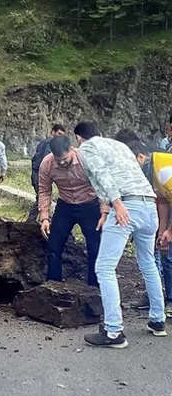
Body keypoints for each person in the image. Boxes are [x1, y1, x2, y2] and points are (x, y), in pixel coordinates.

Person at [75, 121, 166, 348]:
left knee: (104, 267)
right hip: (148, 206)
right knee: (148, 264)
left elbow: (101, 175)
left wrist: (116, 204)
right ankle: (158, 320)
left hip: (126, 205)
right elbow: (126, 174)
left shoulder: (87, 148)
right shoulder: (120, 146)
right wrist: (105, 210)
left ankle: (114, 332)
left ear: (79, 138)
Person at [37, 134, 100, 287]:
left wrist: (104, 212)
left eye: (65, 158)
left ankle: (95, 285)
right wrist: (44, 217)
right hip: (65, 205)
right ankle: (53, 284)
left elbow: (102, 185)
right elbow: (44, 190)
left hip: (90, 205)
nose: (63, 163)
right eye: (59, 161)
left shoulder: (87, 160)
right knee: (54, 244)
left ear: (71, 149)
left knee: (95, 246)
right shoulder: (47, 163)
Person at [127, 139, 172, 317]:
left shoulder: (160, 167)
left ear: (141, 156)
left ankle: (170, 300)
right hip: (163, 207)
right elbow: (161, 199)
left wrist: (170, 230)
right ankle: (157, 297)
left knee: (169, 256)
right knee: (160, 252)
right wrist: (161, 230)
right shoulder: (152, 170)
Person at [28, 123, 67, 221]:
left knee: (40, 197)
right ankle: (44, 220)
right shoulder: (51, 144)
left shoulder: (43, 143)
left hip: (36, 173)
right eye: (58, 133)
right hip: (40, 174)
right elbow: (47, 159)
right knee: (43, 197)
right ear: (53, 132)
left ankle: (33, 220)